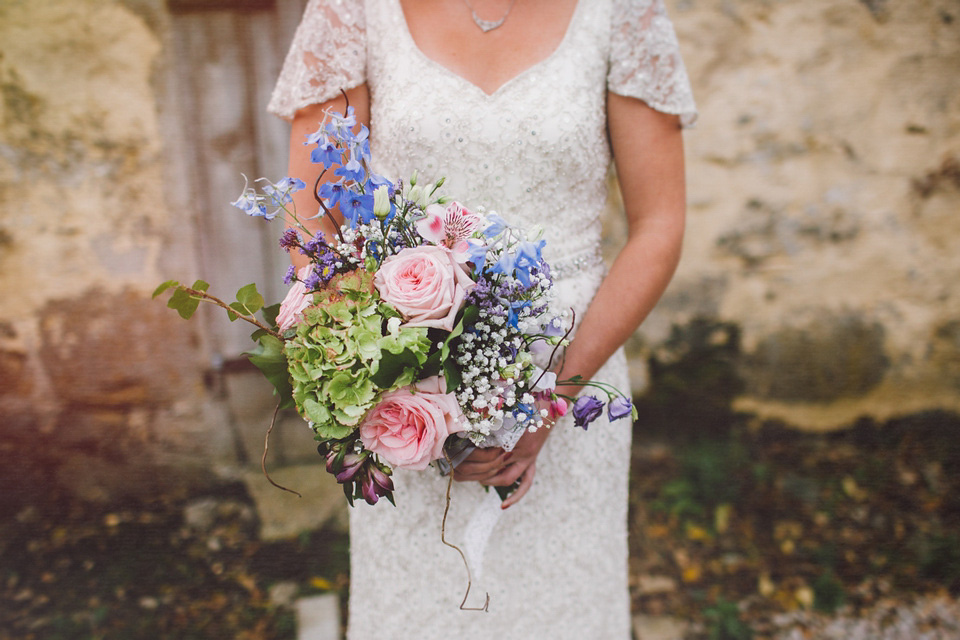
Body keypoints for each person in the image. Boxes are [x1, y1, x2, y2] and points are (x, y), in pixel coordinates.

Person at [268, 0, 696, 637]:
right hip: (405, 388)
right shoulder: (353, 10)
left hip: (573, 371)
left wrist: (553, 399)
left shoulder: (621, 13)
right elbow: (312, 219)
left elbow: (659, 224)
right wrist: (414, 396)